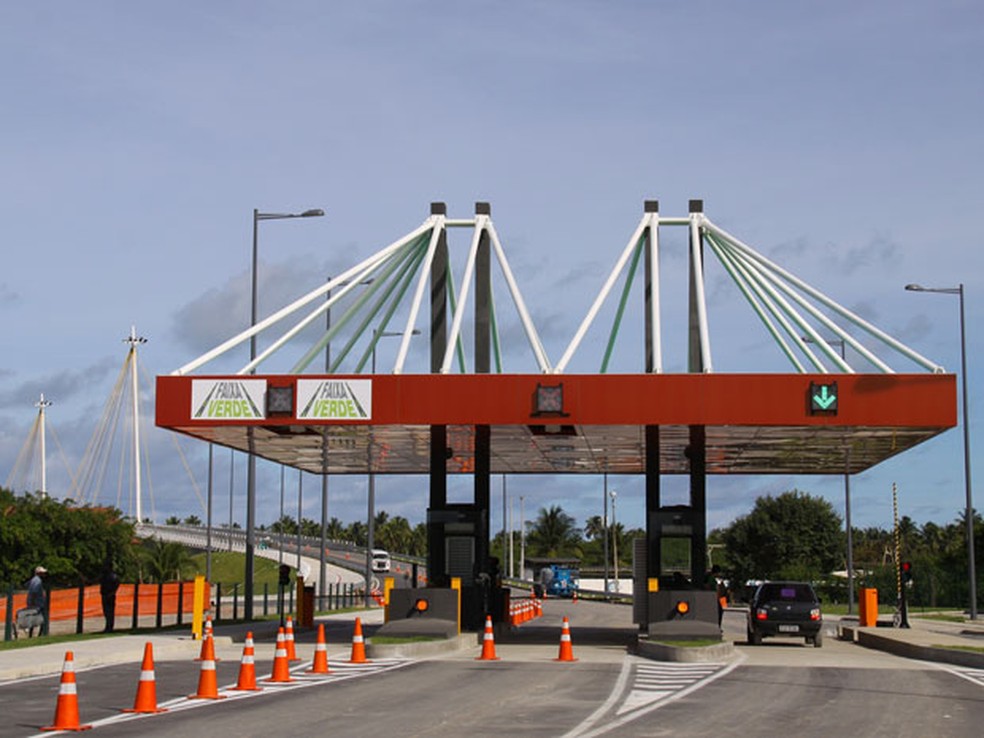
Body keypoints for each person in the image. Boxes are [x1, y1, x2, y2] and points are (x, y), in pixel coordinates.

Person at [100, 559, 121, 632]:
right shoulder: (104, 575)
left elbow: (117, 583)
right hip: (104, 594)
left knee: (110, 612)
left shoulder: (112, 575)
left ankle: (110, 627)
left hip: (110, 595)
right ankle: (107, 627)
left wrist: (112, 593)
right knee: (106, 612)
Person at [26, 566, 47, 637]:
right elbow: (34, 592)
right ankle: (40, 635)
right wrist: (33, 602)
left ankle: (31, 635)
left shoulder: (33, 580)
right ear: (39, 573)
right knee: (42, 619)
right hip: (37, 603)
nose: (44, 574)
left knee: (33, 619)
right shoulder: (38, 581)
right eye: (43, 573)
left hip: (34, 603)